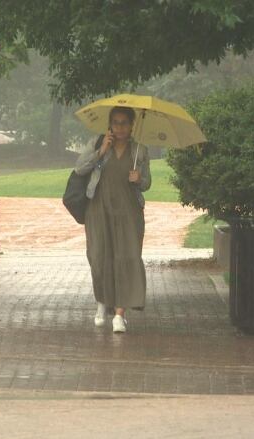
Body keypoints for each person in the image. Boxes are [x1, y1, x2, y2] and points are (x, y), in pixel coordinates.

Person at [74, 106, 151, 333]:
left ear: (131, 125)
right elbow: (80, 168)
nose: (120, 127)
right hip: (99, 209)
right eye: (115, 122)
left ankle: (119, 314)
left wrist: (139, 179)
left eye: (124, 123)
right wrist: (101, 152)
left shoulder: (140, 151)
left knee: (126, 258)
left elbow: (147, 183)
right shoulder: (98, 144)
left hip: (128, 212)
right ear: (109, 124)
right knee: (99, 257)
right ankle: (101, 303)